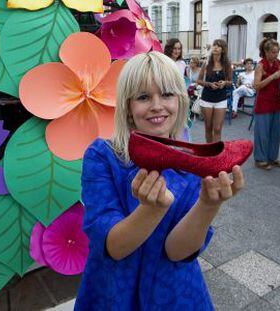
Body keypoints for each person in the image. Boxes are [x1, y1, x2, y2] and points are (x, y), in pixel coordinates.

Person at [74, 51, 244, 309]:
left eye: (166, 94)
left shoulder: (189, 167)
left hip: (171, 292)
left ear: (180, 101)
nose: (156, 105)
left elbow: (177, 252)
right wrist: (152, 209)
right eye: (143, 97)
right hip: (114, 290)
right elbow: (114, 247)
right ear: (129, 108)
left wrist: (208, 206)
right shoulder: (102, 157)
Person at [253, 38, 280, 170]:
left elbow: (279, 80)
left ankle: (272, 157)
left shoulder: (278, 63)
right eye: (273, 52)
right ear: (266, 52)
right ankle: (260, 159)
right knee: (262, 132)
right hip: (263, 102)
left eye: (277, 52)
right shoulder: (260, 65)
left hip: (276, 101)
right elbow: (256, 86)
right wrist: (273, 76)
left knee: (275, 132)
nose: (275, 55)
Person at [197, 39, 232, 142]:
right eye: (214, 45)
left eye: (218, 46)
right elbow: (198, 80)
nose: (215, 47)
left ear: (223, 49)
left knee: (217, 129)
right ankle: (209, 151)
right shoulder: (206, 63)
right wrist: (209, 84)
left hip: (221, 99)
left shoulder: (226, 64)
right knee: (208, 127)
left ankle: (216, 153)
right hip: (207, 98)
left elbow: (230, 81)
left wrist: (224, 83)